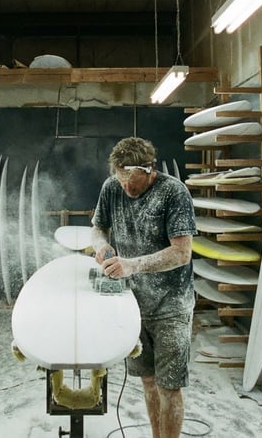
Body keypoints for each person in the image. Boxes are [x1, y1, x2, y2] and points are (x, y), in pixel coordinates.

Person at [91, 137, 196, 438]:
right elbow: (98, 229)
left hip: (171, 306)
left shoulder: (173, 193)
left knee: (169, 386)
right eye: (121, 179)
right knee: (148, 382)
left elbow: (182, 253)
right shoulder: (112, 187)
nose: (126, 187)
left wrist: (132, 265)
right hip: (132, 305)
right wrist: (101, 246)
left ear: (149, 169)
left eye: (132, 181)